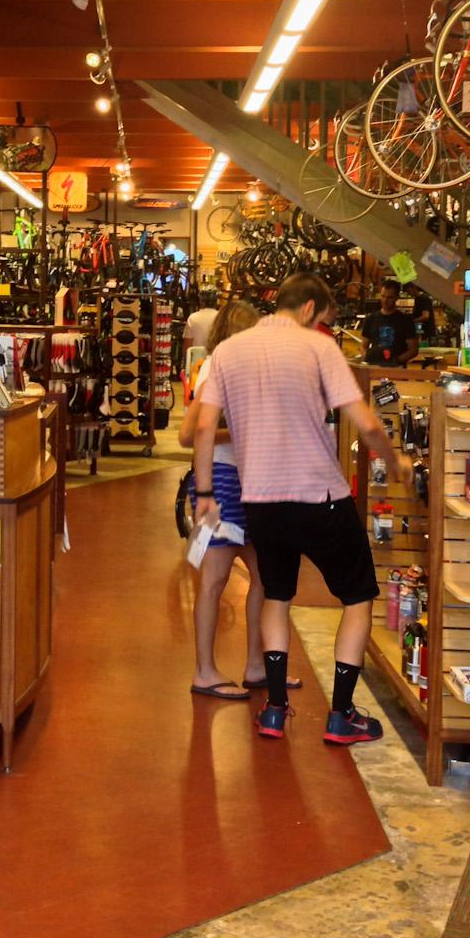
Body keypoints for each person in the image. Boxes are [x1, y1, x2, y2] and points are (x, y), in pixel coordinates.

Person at [193, 272, 410, 745]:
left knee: (277, 594)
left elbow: (204, 428)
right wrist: (396, 461)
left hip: (262, 501)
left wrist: (206, 492)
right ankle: (343, 713)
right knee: (357, 598)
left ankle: (273, 708)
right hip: (321, 497)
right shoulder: (319, 348)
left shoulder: (228, 352)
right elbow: (367, 423)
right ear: (310, 309)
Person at [178, 300, 301, 701]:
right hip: (222, 479)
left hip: (252, 481)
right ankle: (204, 670)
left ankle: (254, 664)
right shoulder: (218, 366)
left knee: (263, 577)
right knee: (214, 579)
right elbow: (195, 433)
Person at [361, 278, 419, 366]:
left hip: (397, 369)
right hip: (374, 368)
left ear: (397, 298)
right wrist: (367, 356)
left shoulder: (405, 320)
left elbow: (413, 350)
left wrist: (396, 361)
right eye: (383, 296)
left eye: (389, 297)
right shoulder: (371, 319)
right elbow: (363, 345)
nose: (385, 300)